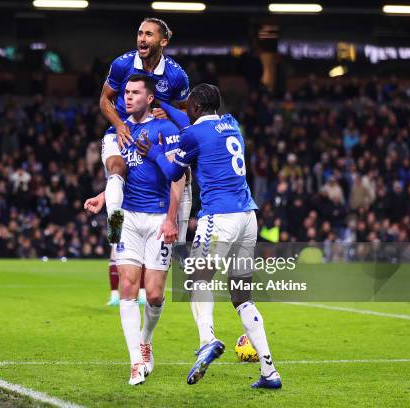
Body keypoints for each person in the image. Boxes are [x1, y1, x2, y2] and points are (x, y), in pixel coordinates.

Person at [136, 84, 282, 389]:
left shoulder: (192, 135)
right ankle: (269, 372)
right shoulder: (231, 124)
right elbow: (191, 123)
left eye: (190, 104)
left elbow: (174, 173)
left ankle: (207, 340)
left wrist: (153, 153)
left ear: (198, 106)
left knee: (198, 279)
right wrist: (167, 105)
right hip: (247, 217)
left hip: (219, 216)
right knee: (242, 297)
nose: (186, 108)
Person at [85, 74, 185, 385]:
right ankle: (134, 362)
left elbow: (177, 177)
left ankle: (146, 340)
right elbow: (121, 170)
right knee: (128, 287)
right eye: (125, 92)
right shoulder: (117, 132)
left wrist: (171, 219)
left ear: (150, 97)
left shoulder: (165, 129)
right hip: (127, 216)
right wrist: (106, 195)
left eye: (135, 92)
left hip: (158, 218)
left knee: (154, 294)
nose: (127, 97)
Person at [98, 17, 190, 244]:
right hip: (123, 132)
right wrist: (119, 125)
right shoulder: (123, 64)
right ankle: (115, 224)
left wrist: (169, 114)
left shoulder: (176, 75)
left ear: (163, 41)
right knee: (117, 167)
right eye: (140, 33)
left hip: (156, 136)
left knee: (183, 175)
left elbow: (188, 114)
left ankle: (178, 240)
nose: (142, 38)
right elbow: (104, 100)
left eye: (149, 34)